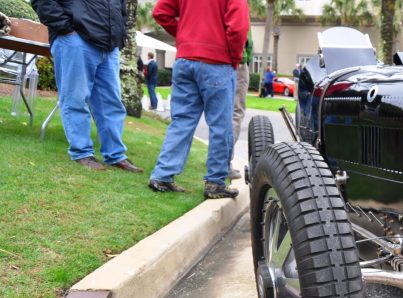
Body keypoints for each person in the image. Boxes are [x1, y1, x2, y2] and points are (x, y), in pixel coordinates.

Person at [148, 0, 249, 199]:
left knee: (181, 121)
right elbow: (238, 27)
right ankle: (214, 182)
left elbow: (160, 12)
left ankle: (162, 175)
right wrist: (234, 58)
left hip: (186, 60)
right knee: (221, 125)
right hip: (217, 62)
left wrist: (185, 36)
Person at [30, 0, 142, 173]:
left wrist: (121, 34)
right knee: (75, 98)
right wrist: (66, 29)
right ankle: (81, 152)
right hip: (75, 39)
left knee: (111, 104)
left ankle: (116, 155)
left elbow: (120, 7)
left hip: (109, 46)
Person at [230, 32, 253, 180]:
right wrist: (245, 57)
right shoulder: (240, 7)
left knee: (221, 113)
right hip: (236, 61)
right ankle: (223, 163)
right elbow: (244, 36)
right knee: (236, 112)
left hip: (214, 60)